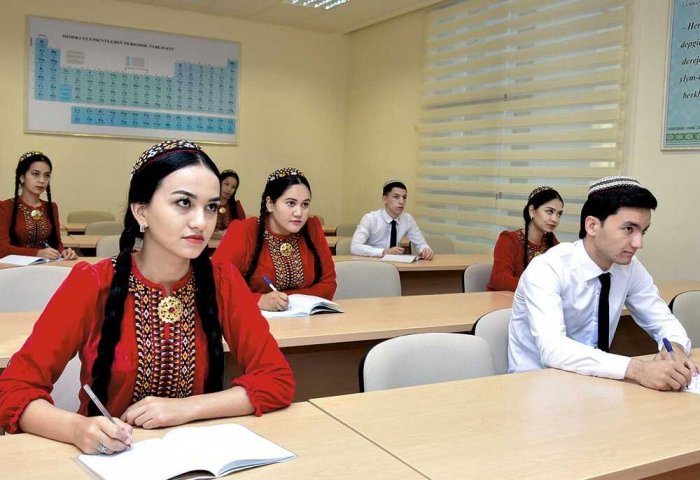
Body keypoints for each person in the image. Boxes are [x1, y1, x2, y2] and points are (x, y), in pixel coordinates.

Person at [0, 140, 294, 454]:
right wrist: (75, 428)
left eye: (211, 207)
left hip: (196, 456)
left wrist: (187, 408)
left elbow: (276, 379)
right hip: (110, 459)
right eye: (184, 202)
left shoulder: (221, 280)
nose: (201, 221)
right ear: (142, 211)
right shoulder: (93, 282)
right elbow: (13, 389)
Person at [508, 175, 697, 391]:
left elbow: (661, 319)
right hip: (535, 386)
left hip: (594, 382)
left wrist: (675, 347)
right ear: (592, 226)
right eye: (629, 229)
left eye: (643, 231)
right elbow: (554, 350)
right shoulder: (547, 268)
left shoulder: (629, 267)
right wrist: (636, 369)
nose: (639, 243)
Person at [212, 167, 336, 312]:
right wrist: (258, 300)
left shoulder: (312, 228)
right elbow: (216, 284)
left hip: (306, 319)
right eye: (291, 203)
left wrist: (288, 300)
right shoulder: (244, 231)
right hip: (253, 317)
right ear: (270, 204)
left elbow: (329, 283)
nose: (299, 213)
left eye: (305, 204)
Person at [0, 151, 77, 260]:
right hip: (13, 267)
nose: (42, 180)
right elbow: (2, 249)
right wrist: (37, 253)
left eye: (47, 175)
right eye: (35, 174)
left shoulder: (51, 207)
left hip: (45, 264)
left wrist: (63, 252)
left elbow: (57, 244)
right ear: (22, 177)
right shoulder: (5, 207)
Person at [487, 186, 563, 291]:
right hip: (503, 299)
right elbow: (500, 280)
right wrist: (539, 286)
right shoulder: (509, 239)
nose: (555, 219)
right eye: (549, 211)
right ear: (532, 211)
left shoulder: (551, 241)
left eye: (559, 214)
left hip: (537, 299)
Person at [350, 180, 433, 259]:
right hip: (371, 262)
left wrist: (425, 250)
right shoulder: (370, 219)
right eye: (396, 197)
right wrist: (383, 252)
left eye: (404, 197)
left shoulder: (407, 219)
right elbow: (355, 247)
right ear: (385, 199)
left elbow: (421, 244)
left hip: (395, 263)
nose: (401, 202)